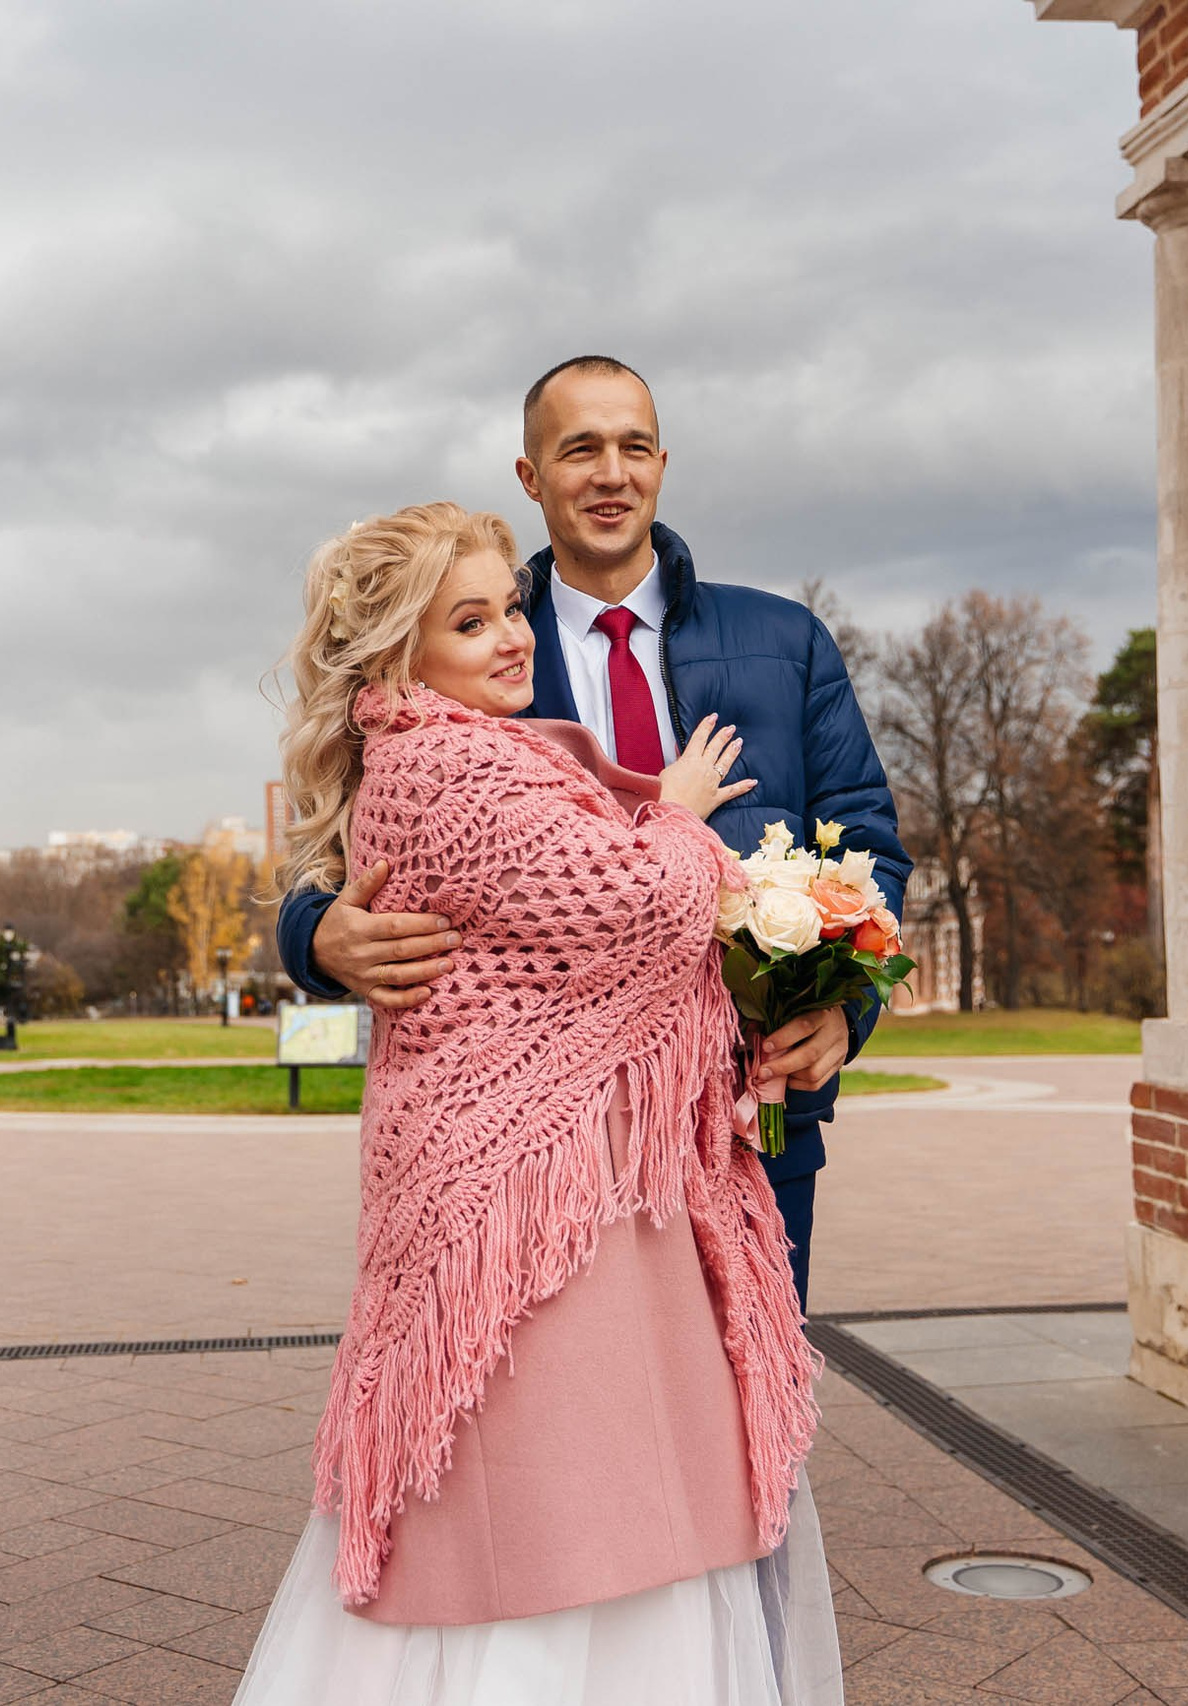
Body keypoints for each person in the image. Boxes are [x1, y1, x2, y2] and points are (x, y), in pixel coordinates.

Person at [235, 503, 838, 1705]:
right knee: (556, 1496)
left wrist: (812, 988)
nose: (509, 635)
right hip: (534, 1201)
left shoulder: (508, 734)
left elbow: (696, 902)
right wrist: (674, 811)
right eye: (470, 621)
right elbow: (630, 900)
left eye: (506, 607)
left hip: (614, 1182)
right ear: (399, 653)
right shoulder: (445, 761)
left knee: (630, 1480)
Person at [280, 356, 909, 1309]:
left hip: (749, 1109)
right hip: (558, 1131)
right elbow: (351, 827)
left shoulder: (788, 644)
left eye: (633, 447)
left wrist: (845, 1012)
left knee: (755, 1426)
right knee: (583, 1424)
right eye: (580, 449)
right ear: (531, 476)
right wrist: (316, 936)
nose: (611, 473)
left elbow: (868, 847)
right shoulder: (466, 639)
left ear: (662, 463)